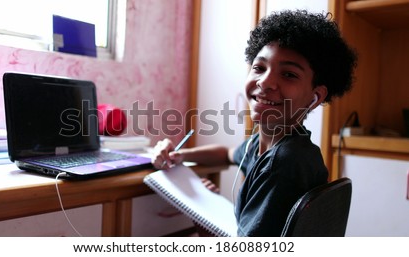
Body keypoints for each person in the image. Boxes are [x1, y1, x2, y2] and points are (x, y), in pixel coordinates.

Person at [151, 10, 357, 236]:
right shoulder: (268, 143)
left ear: (315, 97)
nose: (265, 82)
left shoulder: (283, 164)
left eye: (289, 74)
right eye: (259, 68)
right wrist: (179, 155)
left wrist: (203, 222)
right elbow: (227, 153)